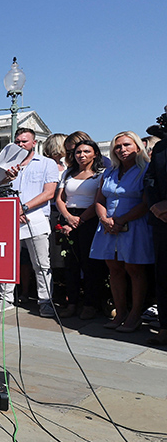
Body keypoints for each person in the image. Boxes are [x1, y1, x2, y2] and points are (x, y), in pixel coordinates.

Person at [90, 131, 155, 332]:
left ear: (137, 146)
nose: (122, 150)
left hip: (134, 225)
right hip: (109, 227)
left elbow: (146, 202)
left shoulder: (145, 170)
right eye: (118, 146)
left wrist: (122, 220)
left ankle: (135, 315)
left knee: (135, 270)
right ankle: (120, 312)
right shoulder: (109, 172)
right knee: (114, 269)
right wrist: (104, 219)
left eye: (127, 145)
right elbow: (100, 199)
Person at [0, 127, 59, 317]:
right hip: (10, 217)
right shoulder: (7, 164)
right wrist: (6, 179)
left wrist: (25, 207)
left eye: (24, 141)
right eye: (18, 141)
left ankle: (45, 301)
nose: (21, 144)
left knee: (41, 263)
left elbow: (49, 192)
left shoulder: (46, 163)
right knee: (7, 262)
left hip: (36, 217)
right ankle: (5, 298)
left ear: (34, 143)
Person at [54, 138, 105, 319]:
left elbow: (98, 199)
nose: (81, 155)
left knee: (89, 263)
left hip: (89, 219)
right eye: (78, 152)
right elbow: (59, 198)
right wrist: (68, 218)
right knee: (70, 263)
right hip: (68, 218)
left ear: (95, 154)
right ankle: (72, 302)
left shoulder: (101, 174)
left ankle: (91, 304)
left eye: (86, 152)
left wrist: (80, 220)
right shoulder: (68, 173)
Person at [145, 137, 167, 346]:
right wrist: (156, 206)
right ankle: (165, 327)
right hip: (161, 219)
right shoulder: (161, 147)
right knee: (163, 276)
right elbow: (150, 179)